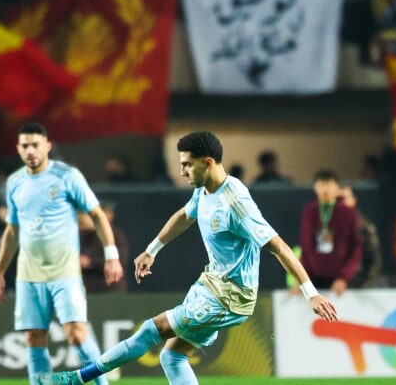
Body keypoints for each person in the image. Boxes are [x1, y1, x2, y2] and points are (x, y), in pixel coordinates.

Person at [41, 131, 338, 385]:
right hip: (212, 285)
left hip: (230, 296)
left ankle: (78, 378)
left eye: (187, 164)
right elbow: (184, 215)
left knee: (151, 330)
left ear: (207, 162)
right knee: (172, 356)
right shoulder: (205, 189)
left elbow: (279, 247)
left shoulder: (235, 202)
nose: (182, 171)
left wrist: (310, 294)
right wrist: (151, 250)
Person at [0, 122, 124, 385]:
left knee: (76, 334)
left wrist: (111, 255)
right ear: (18, 149)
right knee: (34, 337)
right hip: (29, 275)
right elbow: (12, 230)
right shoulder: (15, 182)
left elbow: (97, 214)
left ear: (47, 146)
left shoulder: (67, 176)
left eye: (35, 145)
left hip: (65, 272)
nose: (30, 150)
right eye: (25, 146)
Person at [299, 170, 363, 296]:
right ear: (314, 188)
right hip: (314, 278)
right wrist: (302, 280)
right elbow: (305, 246)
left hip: (341, 281)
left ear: (337, 188)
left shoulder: (348, 212)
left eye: (329, 184)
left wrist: (344, 277)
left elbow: (356, 247)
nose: (325, 189)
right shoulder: (309, 211)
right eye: (321, 185)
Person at [79, 201, 128, 293]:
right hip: (86, 287)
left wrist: (90, 262)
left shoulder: (116, 235)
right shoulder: (82, 233)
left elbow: (121, 259)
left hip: (109, 287)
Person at [340, 185, 382, 288]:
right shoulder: (325, 226)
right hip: (329, 287)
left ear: (353, 200)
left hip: (356, 287)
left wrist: (363, 287)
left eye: (344, 198)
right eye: (337, 200)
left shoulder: (363, 227)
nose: (341, 203)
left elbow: (373, 261)